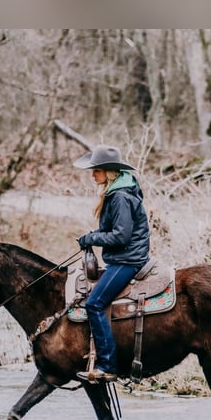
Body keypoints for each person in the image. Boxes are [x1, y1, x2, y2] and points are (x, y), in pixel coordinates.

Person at [74, 145, 150, 382]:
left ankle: (107, 364)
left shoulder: (119, 197)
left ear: (107, 171)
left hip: (129, 260)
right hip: (124, 256)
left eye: (96, 170)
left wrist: (91, 238)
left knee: (95, 303)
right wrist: (93, 235)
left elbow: (120, 236)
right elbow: (114, 231)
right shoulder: (119, 191)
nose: (92, 174)